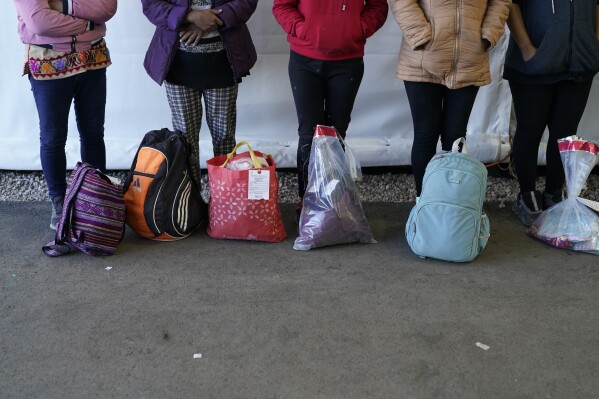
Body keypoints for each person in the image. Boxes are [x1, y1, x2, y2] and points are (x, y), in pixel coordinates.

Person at [272, 0, 389, 214]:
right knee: (309, 133)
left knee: (336, 133)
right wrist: (302, 29)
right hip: (304, 60)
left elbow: (378, 6)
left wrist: (358, 29)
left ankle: (333, 201)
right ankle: (307, 201)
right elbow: (281, 6)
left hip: (348, 62)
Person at [13, 0, 118, 230]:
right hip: (48, 58)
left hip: (93, 57)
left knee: (93, 133)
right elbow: (39, 22)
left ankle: (96, 197)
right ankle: (59, 202)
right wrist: (89, 24)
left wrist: (62, 5)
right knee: (53, 138)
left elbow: (107, 8)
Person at [390, 0, 511, 198]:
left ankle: (449, 205)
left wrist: (488, 35)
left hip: (468, 59)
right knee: (425, 135)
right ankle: (425, 205)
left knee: (455, 137)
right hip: (422, 58)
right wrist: (421, 35)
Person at [141, 0, 258, 187]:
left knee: (224, 136)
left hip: (223, 64)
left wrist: (208, 21)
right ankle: (190, 199)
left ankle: (225, 198)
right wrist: (190, 16)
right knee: (184, 138)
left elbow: (246, 2)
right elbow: (151, 5)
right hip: (177, 65)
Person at [505, 0, 599, 226]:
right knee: (530, 128)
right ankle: (527, 194)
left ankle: (553, 193)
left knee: (565, 133)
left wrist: (594, 42)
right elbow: (510, 3)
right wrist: (527, 50)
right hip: (534, 64)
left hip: (580, 62)